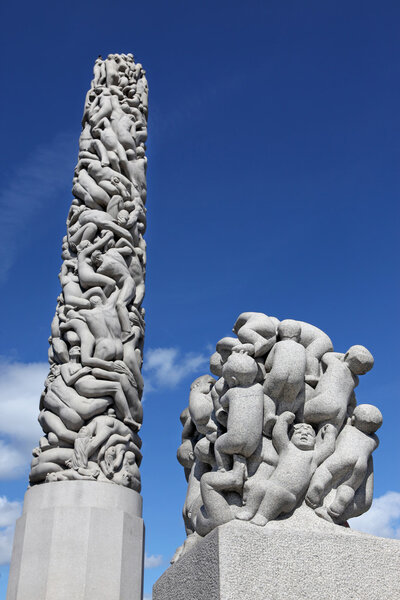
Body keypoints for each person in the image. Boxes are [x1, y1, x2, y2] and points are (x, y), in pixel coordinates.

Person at [250, 412, 336, 526]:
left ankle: (263, 515)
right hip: (271, 484)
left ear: (315, 441)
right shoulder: (287, 449)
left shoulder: (313, 456)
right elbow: (279, 435)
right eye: (299, 433)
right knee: (259, 486)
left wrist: (330, 433)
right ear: (291, 438)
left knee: (277, 494)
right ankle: (249, 510)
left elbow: (328, 448)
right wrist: (283, 420)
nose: (304, 435)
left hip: (288, 496)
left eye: (309, 435)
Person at [306, 404, 382, 522]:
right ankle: (338, 505)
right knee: (349, 486)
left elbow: (343, 420)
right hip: (361, 465)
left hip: (343, 457)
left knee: (326, 471)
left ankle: (317, 488)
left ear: (354, 419)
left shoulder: (347, 428)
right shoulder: (373, 441)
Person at [213, 352, 264, 475]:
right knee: (239, 448)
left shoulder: (232, 392)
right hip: (253, 444)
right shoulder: (259, 388)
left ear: (233, 380)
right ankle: (241, 464)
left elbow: (222, 402)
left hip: (234, 438)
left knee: (218, 445)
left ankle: (223, 469)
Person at [304, 345, 374, 433]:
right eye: (365, 371)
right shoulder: (355, 380)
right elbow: (352, 402)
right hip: (341, 411)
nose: (364, 373)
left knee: (301, 416)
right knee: (329, 434)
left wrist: (346, 356)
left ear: (346, 355)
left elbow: (327, 356)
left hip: (326, 401)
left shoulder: (336, 364)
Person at [263, 320, 307, 435]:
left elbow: (268, 364)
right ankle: (284, 421)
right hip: (296, 379)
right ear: (299, 336)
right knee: (289, 398)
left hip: (279, 373)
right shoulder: (302, 348)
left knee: (269, 394)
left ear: (278, 334)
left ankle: (269, 416)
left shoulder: (278, 345)